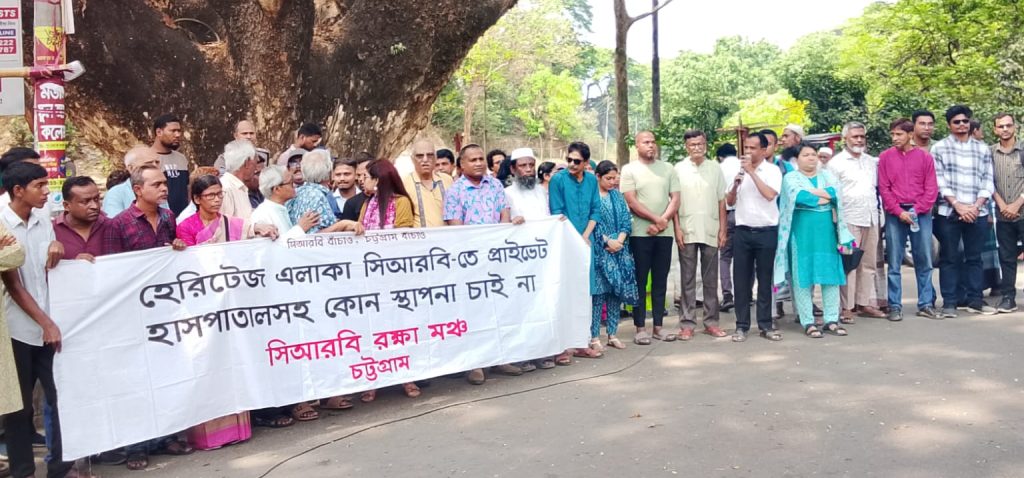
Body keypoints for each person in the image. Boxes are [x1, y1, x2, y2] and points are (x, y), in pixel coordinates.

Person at [102, 165, 193, 470]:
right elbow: (113, 270)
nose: (164, 188)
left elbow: (170, 259)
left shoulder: (168, 218)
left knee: (167, 375)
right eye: (156, 184)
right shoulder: (119, 224)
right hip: (133, 313)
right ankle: (136, 446)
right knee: (137, 381)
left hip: (165, 311)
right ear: (138, 190)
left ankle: (167, 437)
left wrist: (177, 247)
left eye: (164, 183)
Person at [0, 161, 79, 478]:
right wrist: (46, 323)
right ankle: (23, 471)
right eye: (40, 186)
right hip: (17, 328)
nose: (48, 191)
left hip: (49, 321)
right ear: (18, 190)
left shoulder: (42, 219)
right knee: (19, 407)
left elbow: (49, 266)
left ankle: (60, 466)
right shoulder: (3, 224)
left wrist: (61, 249)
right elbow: (14, 285)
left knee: (61, 396)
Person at [443, 144, 522, 384]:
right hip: (470, 262)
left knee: (499, 309)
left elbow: (504, 216)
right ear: (461, 165)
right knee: (474, 313)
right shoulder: (455, 191)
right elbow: (455, 228)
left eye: (481, 158)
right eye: (473, 160)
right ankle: (475, 364)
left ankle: (500, 358)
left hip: (496, 258)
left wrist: (507, 232)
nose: (478, 163)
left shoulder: (495, 185)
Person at [354, 159, 423, 400]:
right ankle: (373, 379)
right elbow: (359, 233)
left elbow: (403, 236)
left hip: (395, 278)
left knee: (398, 328)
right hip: (370, 278)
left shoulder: (401, 202)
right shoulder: (368, 203)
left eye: (368, 177)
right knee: (374, 329)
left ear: (379, 180)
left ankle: (406, 377)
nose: (363, 181)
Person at [775, 143, 855, 338]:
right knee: (802, 277)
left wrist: (818, 194)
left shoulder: (827, 175)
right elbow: (800, 197)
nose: (811, 158)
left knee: (830, 276)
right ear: (797, 159)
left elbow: (836, 193)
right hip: (801, 235)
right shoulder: (790, 178)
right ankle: (808, 321)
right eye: (806, 155)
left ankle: (831, 320)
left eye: (813, 154)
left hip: (826, 234)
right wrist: (823, 196)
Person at [932, 105, 996, 317]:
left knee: (975, 257)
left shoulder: (982, 149)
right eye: (956, 122)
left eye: (965, 121)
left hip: (978, 212)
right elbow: (939, 181)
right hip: (948, 212)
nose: (961, 125)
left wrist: (976, 206)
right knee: (950, 258)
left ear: (970, 123)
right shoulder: (939, 148)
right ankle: (949, 303)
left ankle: (975, 300)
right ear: (949, 125)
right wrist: (958, 205)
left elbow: (988, 180)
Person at [620, 131, 680, 345]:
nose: (651, 145)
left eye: (653, 142)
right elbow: (631, 202)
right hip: (640, 233)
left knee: (660, 280)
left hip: (664, 234)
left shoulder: (668, 168)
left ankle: (658, 327)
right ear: (637, 145)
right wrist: (657, 220)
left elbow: (675, 199)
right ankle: (640, 328)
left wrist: (663, 222)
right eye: (646, 142)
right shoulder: (629, 170)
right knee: (640, 280)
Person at [877, 118, 940, 321]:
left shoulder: (924, 157)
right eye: (893, 134)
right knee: (894, 261)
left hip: (920, 213)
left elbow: (931, 189)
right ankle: (895, 305)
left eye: (899, 134)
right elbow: (884, 188)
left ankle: (926, 303)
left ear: (910, 135)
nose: (895, 138)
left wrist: (916, 210)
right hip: (895, 213)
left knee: (924, 259)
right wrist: (898, 211)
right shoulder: (885, 157)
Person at [726, 132, 784, 342]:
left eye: (753, 148)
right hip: (742, 231)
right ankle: (741, 325)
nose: (748, 152)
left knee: (765, 279)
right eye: (746, 148)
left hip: (766, 231)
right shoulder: (738, 169)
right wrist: (735, 184)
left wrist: (751, 172)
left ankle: (765, 324)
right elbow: (729, 201)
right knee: (741, 280)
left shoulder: (772, 170)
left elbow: (769, 195)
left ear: (764, 150)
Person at [548, 142, 603, 362]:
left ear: (586, 162)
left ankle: (581, 342)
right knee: (564, 291)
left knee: (584, 292)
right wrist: (575, 239)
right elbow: (557, 212)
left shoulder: (591, 180)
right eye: (569, 159)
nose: (571, 164)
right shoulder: (558, 180)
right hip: (564, 242)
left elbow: (595, 210)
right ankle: (561, 346)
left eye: (577, 161)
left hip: (586, 242)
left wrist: (586, 236)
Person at [826, 121, 885, 321]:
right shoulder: (836, 163)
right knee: (849, 263)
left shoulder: (871, 161)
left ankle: (864, 302)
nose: (859, 140)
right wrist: (836, 223)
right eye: (855, 137)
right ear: (845, 139)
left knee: (868, 263)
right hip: (848, 219)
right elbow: (831, 193)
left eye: (862, 136)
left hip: (871, 217)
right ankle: (846, 307)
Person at [672, 130, 728, 340]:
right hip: (687, 229)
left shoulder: (715, 168)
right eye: (693, 144)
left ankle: (711, 322)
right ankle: (687, 324)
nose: (697, 147)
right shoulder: (678, 169)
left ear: (706, 145)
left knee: (711, 280)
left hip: (711, 229)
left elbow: (721, 201)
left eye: (700, 144)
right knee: (687, 279)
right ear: (686, 147)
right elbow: (674, 201)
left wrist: (723, 229)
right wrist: (677, 228)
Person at [590, 161, 638, 351]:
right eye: (608, 178)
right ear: (598, 177)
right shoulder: (592, 197)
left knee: (615, 293)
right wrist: (607, 241)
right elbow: (591, 223)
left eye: (614, 178)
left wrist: (620, 240)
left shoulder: (617, 196)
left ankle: (612, 334)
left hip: (620, 249)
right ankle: (594, 336)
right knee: (599, 294)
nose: (612, 182)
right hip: (600, 250)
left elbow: (626, 220)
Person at [175, 175, 276, 245]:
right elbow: (189, 259)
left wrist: (262, 227)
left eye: (220, 194)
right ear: (197, 199)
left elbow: (248, 228)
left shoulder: (228, 222)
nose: (217, 199)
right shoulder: (185, 227)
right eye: (211, 195)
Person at [991, 113, 1024, 313]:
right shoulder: (990, 153)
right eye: (1001, 126)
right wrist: (1002, 204)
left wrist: (1017, 203)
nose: (1005, 129)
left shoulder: (1022, 150)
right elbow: (988, 181)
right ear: (995, 129)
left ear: (1015, 127)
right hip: (1002, 215)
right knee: (1006, 258)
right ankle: (1008, 298)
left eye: (1008, 125)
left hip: (1023, 212)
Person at [251, 165, 321, 242]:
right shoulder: (262, 215)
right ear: (277, 189)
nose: (294, 185)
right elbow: (269, 246)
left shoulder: (280, 208)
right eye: (291, 183)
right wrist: (300, 228)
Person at [287, 149, 344, 233]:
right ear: (328, 171)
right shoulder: (317, 196)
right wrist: (342, 225)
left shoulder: (298, 192)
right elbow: (315, 235)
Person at [402, 140, 453, 227]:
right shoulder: (404, 183)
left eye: (430, 155)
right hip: (419, 235)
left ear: (435, 158)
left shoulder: (447, 180)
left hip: (447, 235)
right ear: (412, 159)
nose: (425, 160)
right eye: (420, 156)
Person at [103, 145, 162, 217]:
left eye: (157, 162)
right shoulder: (116, 194)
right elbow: (115, 222)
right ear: (131, 168)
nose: (155, 167)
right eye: (148, 163)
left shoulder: (159, 189)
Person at [150, 114, 190, 216]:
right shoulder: (147, 158)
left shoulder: (181, 158)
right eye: (173, 131)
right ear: (159, 132)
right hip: (160, 218)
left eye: (179, 131)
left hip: (183, 217)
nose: (177, 135)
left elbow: (187, 187)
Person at [717, 143, 740, 312]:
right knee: (744, 257)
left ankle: (727, 295)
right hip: (744, 215)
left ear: (720, 157)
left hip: (726, 214)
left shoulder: (718, 169)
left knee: (725, 257)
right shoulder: (744, 166)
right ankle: (745, 294)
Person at [219, 139, 260, 221]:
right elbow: (224, 225)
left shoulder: (241, 188)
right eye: (255, 164)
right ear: (247, 163)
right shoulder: (226, 189)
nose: (256, 169)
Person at [505, 148, 549, 221]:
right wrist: (512, 221)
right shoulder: (506, 194)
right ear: (512, 169)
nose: (529, 169)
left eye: (532, 165)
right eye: (523, 165)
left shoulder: (542, 190)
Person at [340, 153, 374, 221]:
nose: (361, 179)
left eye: (365, 175)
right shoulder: (351, 204)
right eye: (358, 175)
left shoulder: (392, 200)